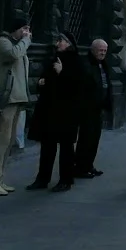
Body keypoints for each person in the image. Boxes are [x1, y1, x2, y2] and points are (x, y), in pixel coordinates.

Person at [29, 30, 85, 192]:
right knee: (47, 147)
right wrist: (41, 82)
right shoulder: (53, 59)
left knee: (66, 148)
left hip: (67, 112)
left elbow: (77, 87)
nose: (57, 43)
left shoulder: (76, 62)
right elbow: (46, 80)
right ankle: (42, 178)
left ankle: (66, 180)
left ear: (68, 43)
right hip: (49, 110)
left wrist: (63, 73)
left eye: (60, 40)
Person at [0, 15, 32, 196]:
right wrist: (25, 41)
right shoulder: (3, 43)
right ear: (16, 29)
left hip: (18, 98)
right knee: (1, 140)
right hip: (6, 99)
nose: (27, 33)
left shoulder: (18, 44)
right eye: (24, 29)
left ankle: (0, 179)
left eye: (28, 29)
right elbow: (13, 54)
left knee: (9, 141)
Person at [75, 38, 113, 178]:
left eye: (104, 51)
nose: (102, 53)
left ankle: (89, 165)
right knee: (86, 138)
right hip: (88, 107)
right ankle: (81, 167)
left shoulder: (103, 64)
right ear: (93, 50)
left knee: (94, 138)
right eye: (100, 50)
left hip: (99, 107)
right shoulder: (86, 64)